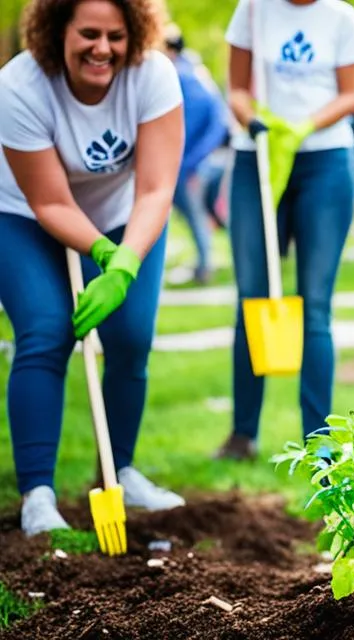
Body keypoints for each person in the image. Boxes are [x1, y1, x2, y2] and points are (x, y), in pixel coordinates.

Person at [0, 0, 187, 535]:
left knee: (131, 337)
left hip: (126, 214)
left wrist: (123, 263)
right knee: (46, 331)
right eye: (88, 34)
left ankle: (117, 470)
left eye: (116, 36)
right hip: (23, 215)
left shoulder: (153, 77)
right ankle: (38, 496)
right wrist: (102, 253)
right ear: (59, 30)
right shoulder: (19, 87)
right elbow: (51, 202)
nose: (102, 48)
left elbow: (156, 188)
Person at [217, 0, 354, 459]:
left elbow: (353, 95)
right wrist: (255, 122)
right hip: (258, 157)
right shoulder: (252, 10)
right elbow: (236, 88)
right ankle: (243, 434)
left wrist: (303, 126)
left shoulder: (342, 17)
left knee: (314, 305)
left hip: (325, 162)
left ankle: (318, 443)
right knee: (252, 298)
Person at [164, 24, 229, 285]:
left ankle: (205, 266)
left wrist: (191, 161)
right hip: (197, 161)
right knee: (203, 214)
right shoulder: (195, 72)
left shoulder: (183, 78)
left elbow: (203, 124)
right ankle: (206, 262)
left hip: (191, 164)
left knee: (195, 215)